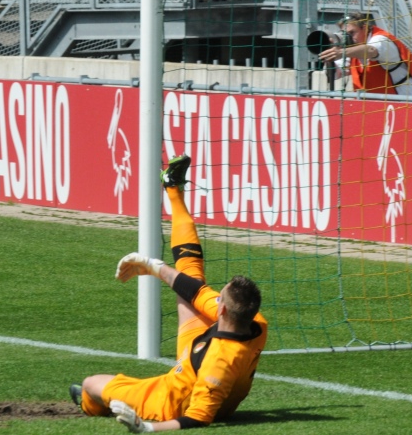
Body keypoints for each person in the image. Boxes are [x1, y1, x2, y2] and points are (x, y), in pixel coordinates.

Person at [71, 154, 267, 432]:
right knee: (191, 279)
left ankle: (89, 403)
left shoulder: (219, 362)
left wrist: (148, 428)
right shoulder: (256, 323)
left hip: (170, 398)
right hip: (196, 357)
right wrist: (153, 266)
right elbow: (196, 290)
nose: (216, 297)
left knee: (92, 383)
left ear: (222, 309)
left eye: (219, 297)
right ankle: (173, 188)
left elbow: (199, 417)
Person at [318, 11, 412, 95]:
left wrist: (341, 52)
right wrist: (329, 57)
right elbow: (335, 74)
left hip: (411, 99)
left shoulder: (382, 39)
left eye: (352, 33)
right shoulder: (352, 48)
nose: (348, 37)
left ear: (364, 28)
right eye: (344, 34)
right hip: (381, 104)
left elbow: (370, 50)